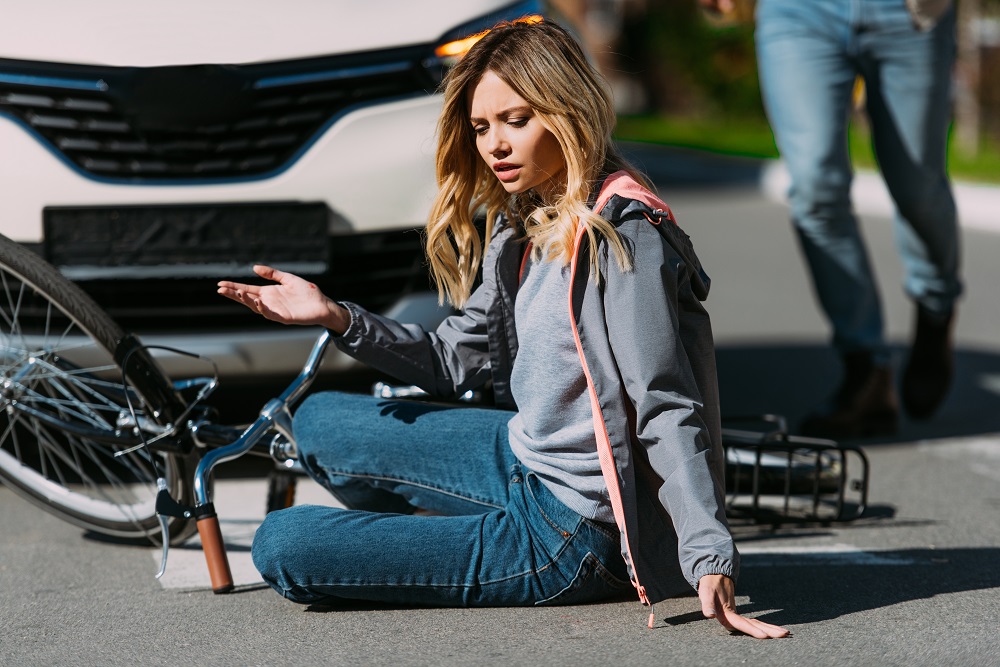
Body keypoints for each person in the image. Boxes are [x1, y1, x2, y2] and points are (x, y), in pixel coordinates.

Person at [218, 19, 788, 639]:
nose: (495, 146)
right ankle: (447, 540)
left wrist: (707, 554)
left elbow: (665, 400)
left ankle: (458, 548)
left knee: (283, 544)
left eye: (516, 121)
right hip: (522, 457)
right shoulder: (526, 223)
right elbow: (450, 359)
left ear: (567, 112)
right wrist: (337, 317)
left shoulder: (622, 236)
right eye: (482, 126)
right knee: (319, 421)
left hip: (575, 529)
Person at [703, 0, 962, 438]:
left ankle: (936, 302)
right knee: (814, 188)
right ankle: (866, 369)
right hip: (798, 11)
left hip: (907, 12)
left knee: (918, 186)